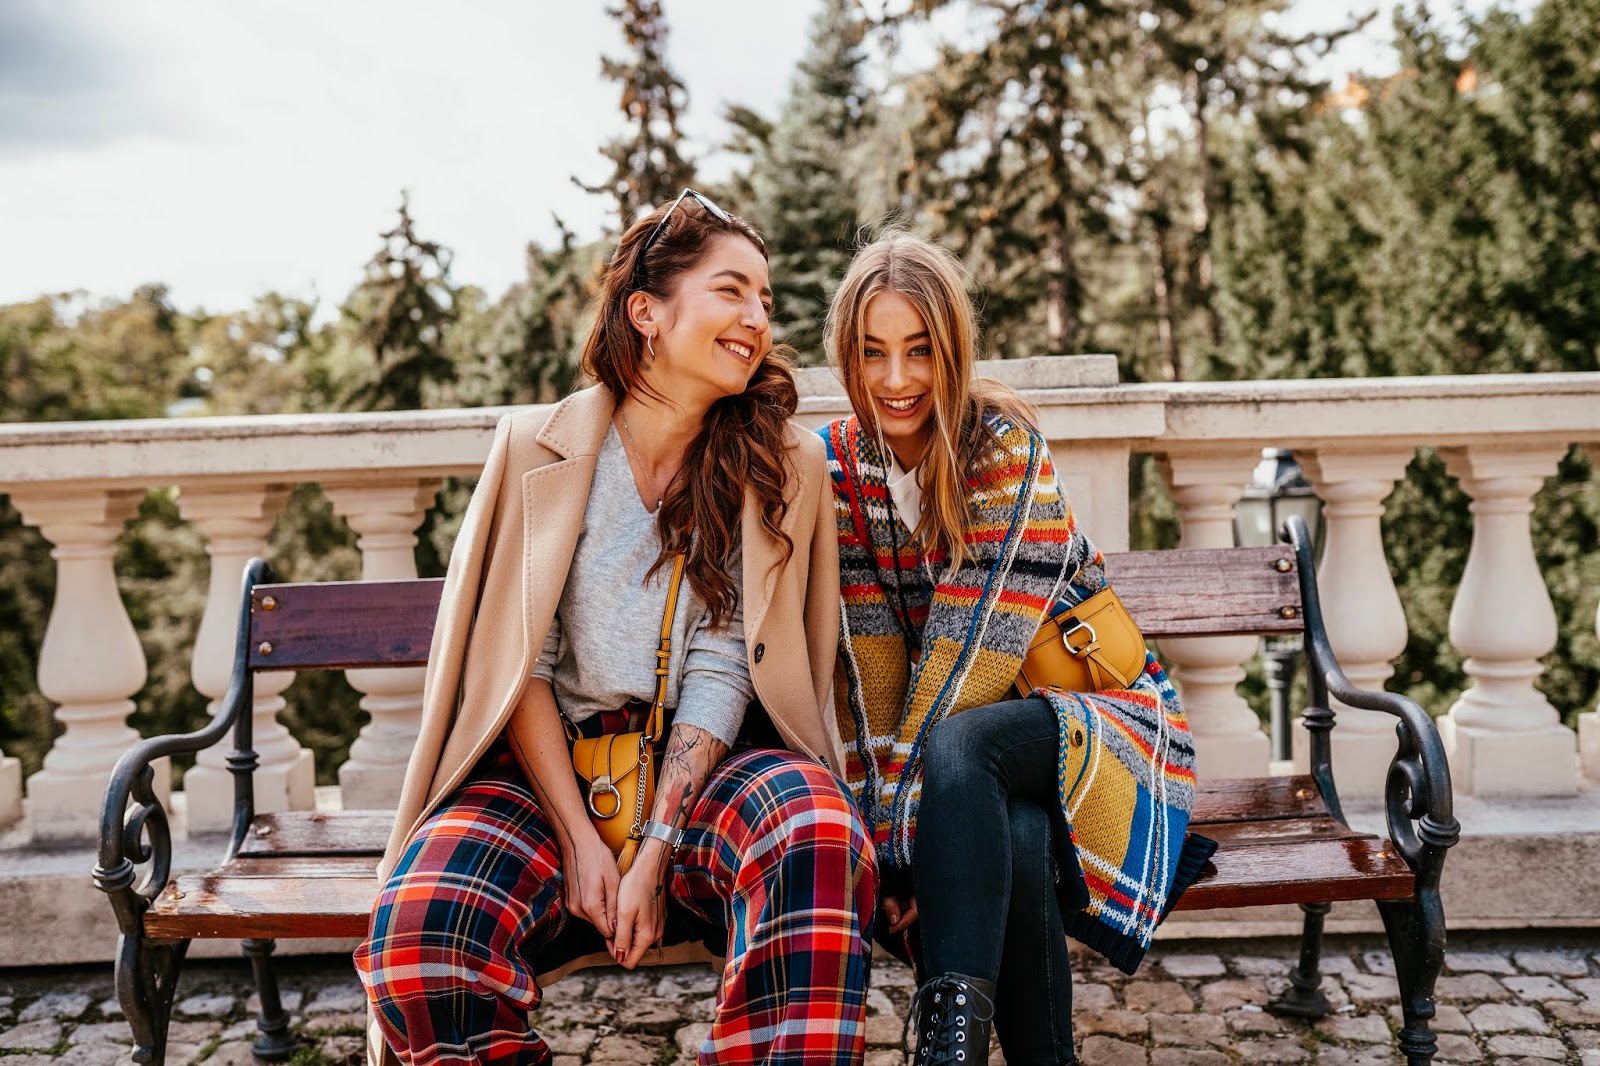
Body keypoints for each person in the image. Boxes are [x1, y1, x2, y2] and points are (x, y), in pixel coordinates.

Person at [356, 190, 878, 1066]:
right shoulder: (537, 449)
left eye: (765, 299)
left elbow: (726, 663)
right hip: (549, 772)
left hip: (711, 769)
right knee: (422, 933)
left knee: (817, 834)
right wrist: (578, 836)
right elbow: (520, 662)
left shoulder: (779, 462)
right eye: (730, 291)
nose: (757, 319)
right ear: (646, 312)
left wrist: (654, 850)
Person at [820, 232, 1215, 1065]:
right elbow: (872, 667)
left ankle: (945, 1055)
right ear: (847, 357)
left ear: (952, 351)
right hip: (971, 769)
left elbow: (970, 662)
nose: (896, 379)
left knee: (966, 745)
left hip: (1096, 719)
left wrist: (902, 840)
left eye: (920, 350)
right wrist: (897, 853)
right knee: (1021, 833)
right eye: (874, 352)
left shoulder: (1002, 450)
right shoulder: (841, 467)